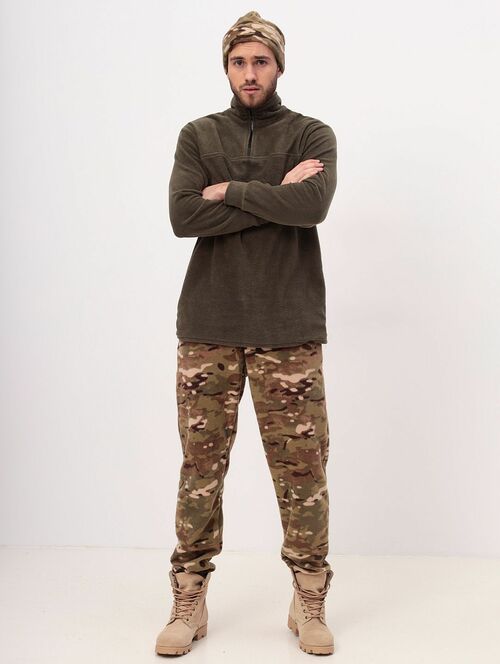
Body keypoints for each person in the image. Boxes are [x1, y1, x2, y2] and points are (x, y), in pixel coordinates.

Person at [155, 10, 338, 657]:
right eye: (239, 62)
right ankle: (189, 596)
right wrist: (271, 195)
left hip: (289, 327)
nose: (249, 73)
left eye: (261, 61)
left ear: (278, 65)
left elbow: (312, 206)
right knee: (201, 468)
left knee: (303, 470)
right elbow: (183, 216)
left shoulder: (312, 134)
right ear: (227, 68)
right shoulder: (198, 134)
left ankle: (309, 596)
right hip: (209, 324)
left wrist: (229, 190)